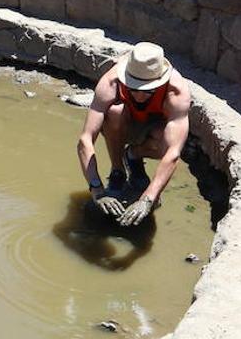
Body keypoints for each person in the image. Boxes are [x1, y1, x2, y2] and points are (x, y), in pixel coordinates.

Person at [75, 42, 192, 227]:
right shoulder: (111, 82)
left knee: (167, 138)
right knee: (114, 112)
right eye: (133, 88)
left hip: (154, 131)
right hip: (123, 126)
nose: (139, 96)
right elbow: (85, 139)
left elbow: (173, 153)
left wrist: (148, 199)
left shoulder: (176, 92)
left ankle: (134, 155)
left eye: (147, 91)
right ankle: (117, 171)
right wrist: (96, 189)